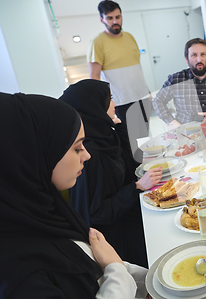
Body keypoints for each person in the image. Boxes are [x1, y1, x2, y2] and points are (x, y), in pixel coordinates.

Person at [0, 92, 147, 298]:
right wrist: (117, 270)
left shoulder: (48, 213)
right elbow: (110, 266)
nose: (86, 155)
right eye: (77, 147)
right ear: (34, 156)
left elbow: (95, 265)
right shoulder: (20, 277)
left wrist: (151, 280)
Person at [60, 79, 162, 268]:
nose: (115, 104)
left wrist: (120, 127)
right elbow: (97, 213)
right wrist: (137, 186)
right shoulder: (89, 153)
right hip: (115, 238)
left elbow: (132, 165)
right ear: (94, 107)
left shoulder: (105, 133)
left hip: (127, 214)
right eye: (110, 100)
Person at [88, 0, 152, 157]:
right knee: (130, 144)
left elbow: (136, 68)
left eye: (117, 17)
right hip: (121, 101)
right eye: (110, 18)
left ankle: (152, 172)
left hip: (141, 96)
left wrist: (147, 91)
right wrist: (103, 105)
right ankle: (137, 178)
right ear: (102, 19)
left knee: (145, 141)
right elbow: (94, 77)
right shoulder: (97, 43)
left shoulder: (130, 37)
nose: (115, 21)